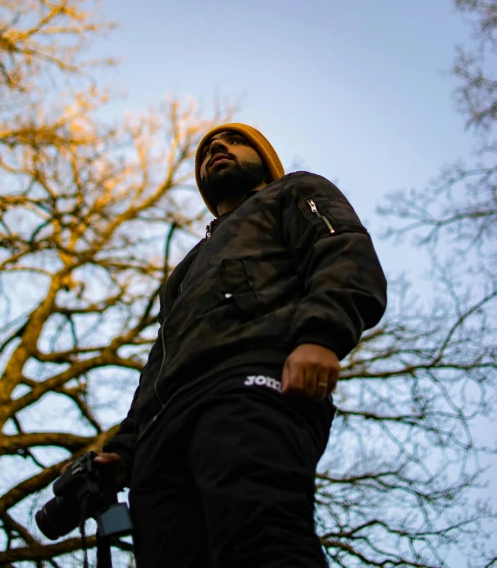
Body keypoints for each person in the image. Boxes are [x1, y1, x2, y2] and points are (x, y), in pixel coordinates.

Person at [91, 124, 387, 567]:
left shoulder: (293, 191)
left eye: (234, 141)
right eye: (208, 149)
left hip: (251, 386)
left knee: (260, 538)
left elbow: (341, 250)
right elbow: (160, 359)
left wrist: (320, 336)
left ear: (263, 158)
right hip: (162, 435)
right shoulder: (186, 268)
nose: (217, 149)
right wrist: (126, 447)